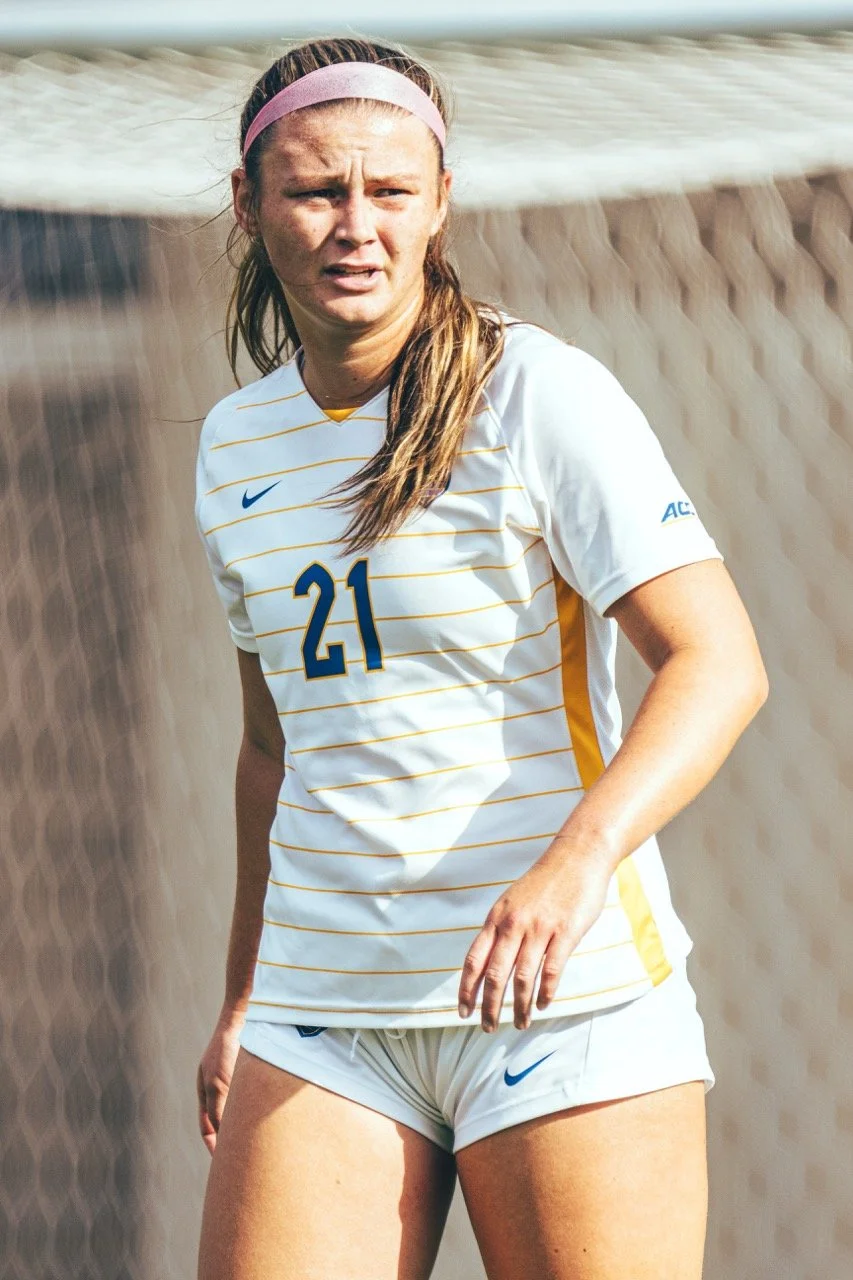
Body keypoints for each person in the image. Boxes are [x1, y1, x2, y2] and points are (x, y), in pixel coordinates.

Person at [194, 36, 768, 1280]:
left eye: (390, 190)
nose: (357, 225)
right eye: (316, 190)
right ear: (248, 202)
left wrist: (574, 861)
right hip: (324, 1010)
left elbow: (717, 662)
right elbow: (271, 748)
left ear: (440, 201)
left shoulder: (539, 393)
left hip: (562, 1004)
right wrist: (244, 992)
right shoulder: (234, 444)